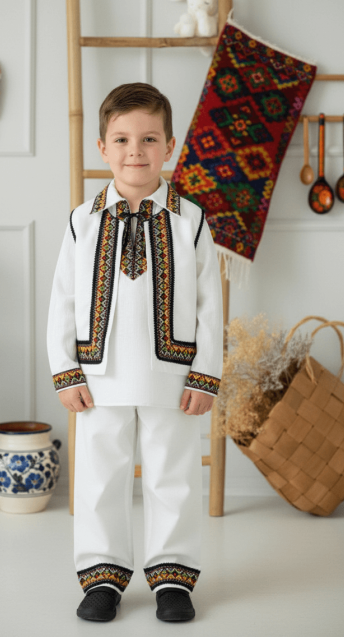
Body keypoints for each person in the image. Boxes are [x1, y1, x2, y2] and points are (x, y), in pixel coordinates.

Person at [47, 82, 223, 622]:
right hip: (99, 378)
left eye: (149, 138)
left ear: (169, 146)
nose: (135, 151)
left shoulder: (191, 220)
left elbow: (210, 302)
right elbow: (62, 299)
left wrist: (205, 376)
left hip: (173, 377)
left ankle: (173, 578)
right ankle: (102, 577)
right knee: (100, 478)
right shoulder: (82, 220)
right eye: (122, 139)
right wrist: (66, 371)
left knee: (174, 475)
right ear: (103, 147)